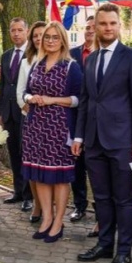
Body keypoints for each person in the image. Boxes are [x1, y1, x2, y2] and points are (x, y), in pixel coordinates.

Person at [73, 3, 132, 263]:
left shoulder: (131, 57)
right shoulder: (91, 59)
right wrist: (79, 135)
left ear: (119, 26)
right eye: (103, 24)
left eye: (112, 24)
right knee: (102, 197)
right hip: (93, 140)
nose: (107, 28)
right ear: (97, 27)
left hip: (122, 141)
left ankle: (124, 252)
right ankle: (105, 244)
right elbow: (85, 99)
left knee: (124, 198)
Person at [21, 22, 82, 243]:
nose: (50, 41)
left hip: (59, 127)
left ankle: (58, 222)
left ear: (63, 40)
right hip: (36, 126)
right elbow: (26, 93)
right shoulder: (37, 64)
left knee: (59, 177)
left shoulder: (70, 66)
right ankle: (46, 218)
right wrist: (31, 98)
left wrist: (52, 100)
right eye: (47, 37)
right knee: (40, 176)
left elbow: (78, 99)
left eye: (55, 37)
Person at [0, 18, 32, 211]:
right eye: (13, 30)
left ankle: (29, 195)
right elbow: (3, 85)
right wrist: (1, 112)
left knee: (25, 153)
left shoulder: (33, 54)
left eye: (20, 30)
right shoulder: (6, 55)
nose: (16, 34)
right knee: (13, 154)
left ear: (26, 31)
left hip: (25, 112)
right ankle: (18, 191)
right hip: (9, 113)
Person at [15, 21, 46, 221]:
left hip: (53, 123)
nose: (38, 38)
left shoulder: (60, 60)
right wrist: (28, 107)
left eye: (42, 34)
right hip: (31, 120)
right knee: (33, 165)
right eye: (35, 35)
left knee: (50, 167)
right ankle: (36, 205)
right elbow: (20, 91)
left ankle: (49, 207)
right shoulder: (26, 61)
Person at [68, 16, 94, 224]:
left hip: (96, 120)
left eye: (94, 27)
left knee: (95, 168)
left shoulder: (104, 55)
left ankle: (100, 211)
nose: (90, 31)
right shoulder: (73, 54)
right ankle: (79, 205)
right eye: (87, 28)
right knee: (77, 166)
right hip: (75, 117)